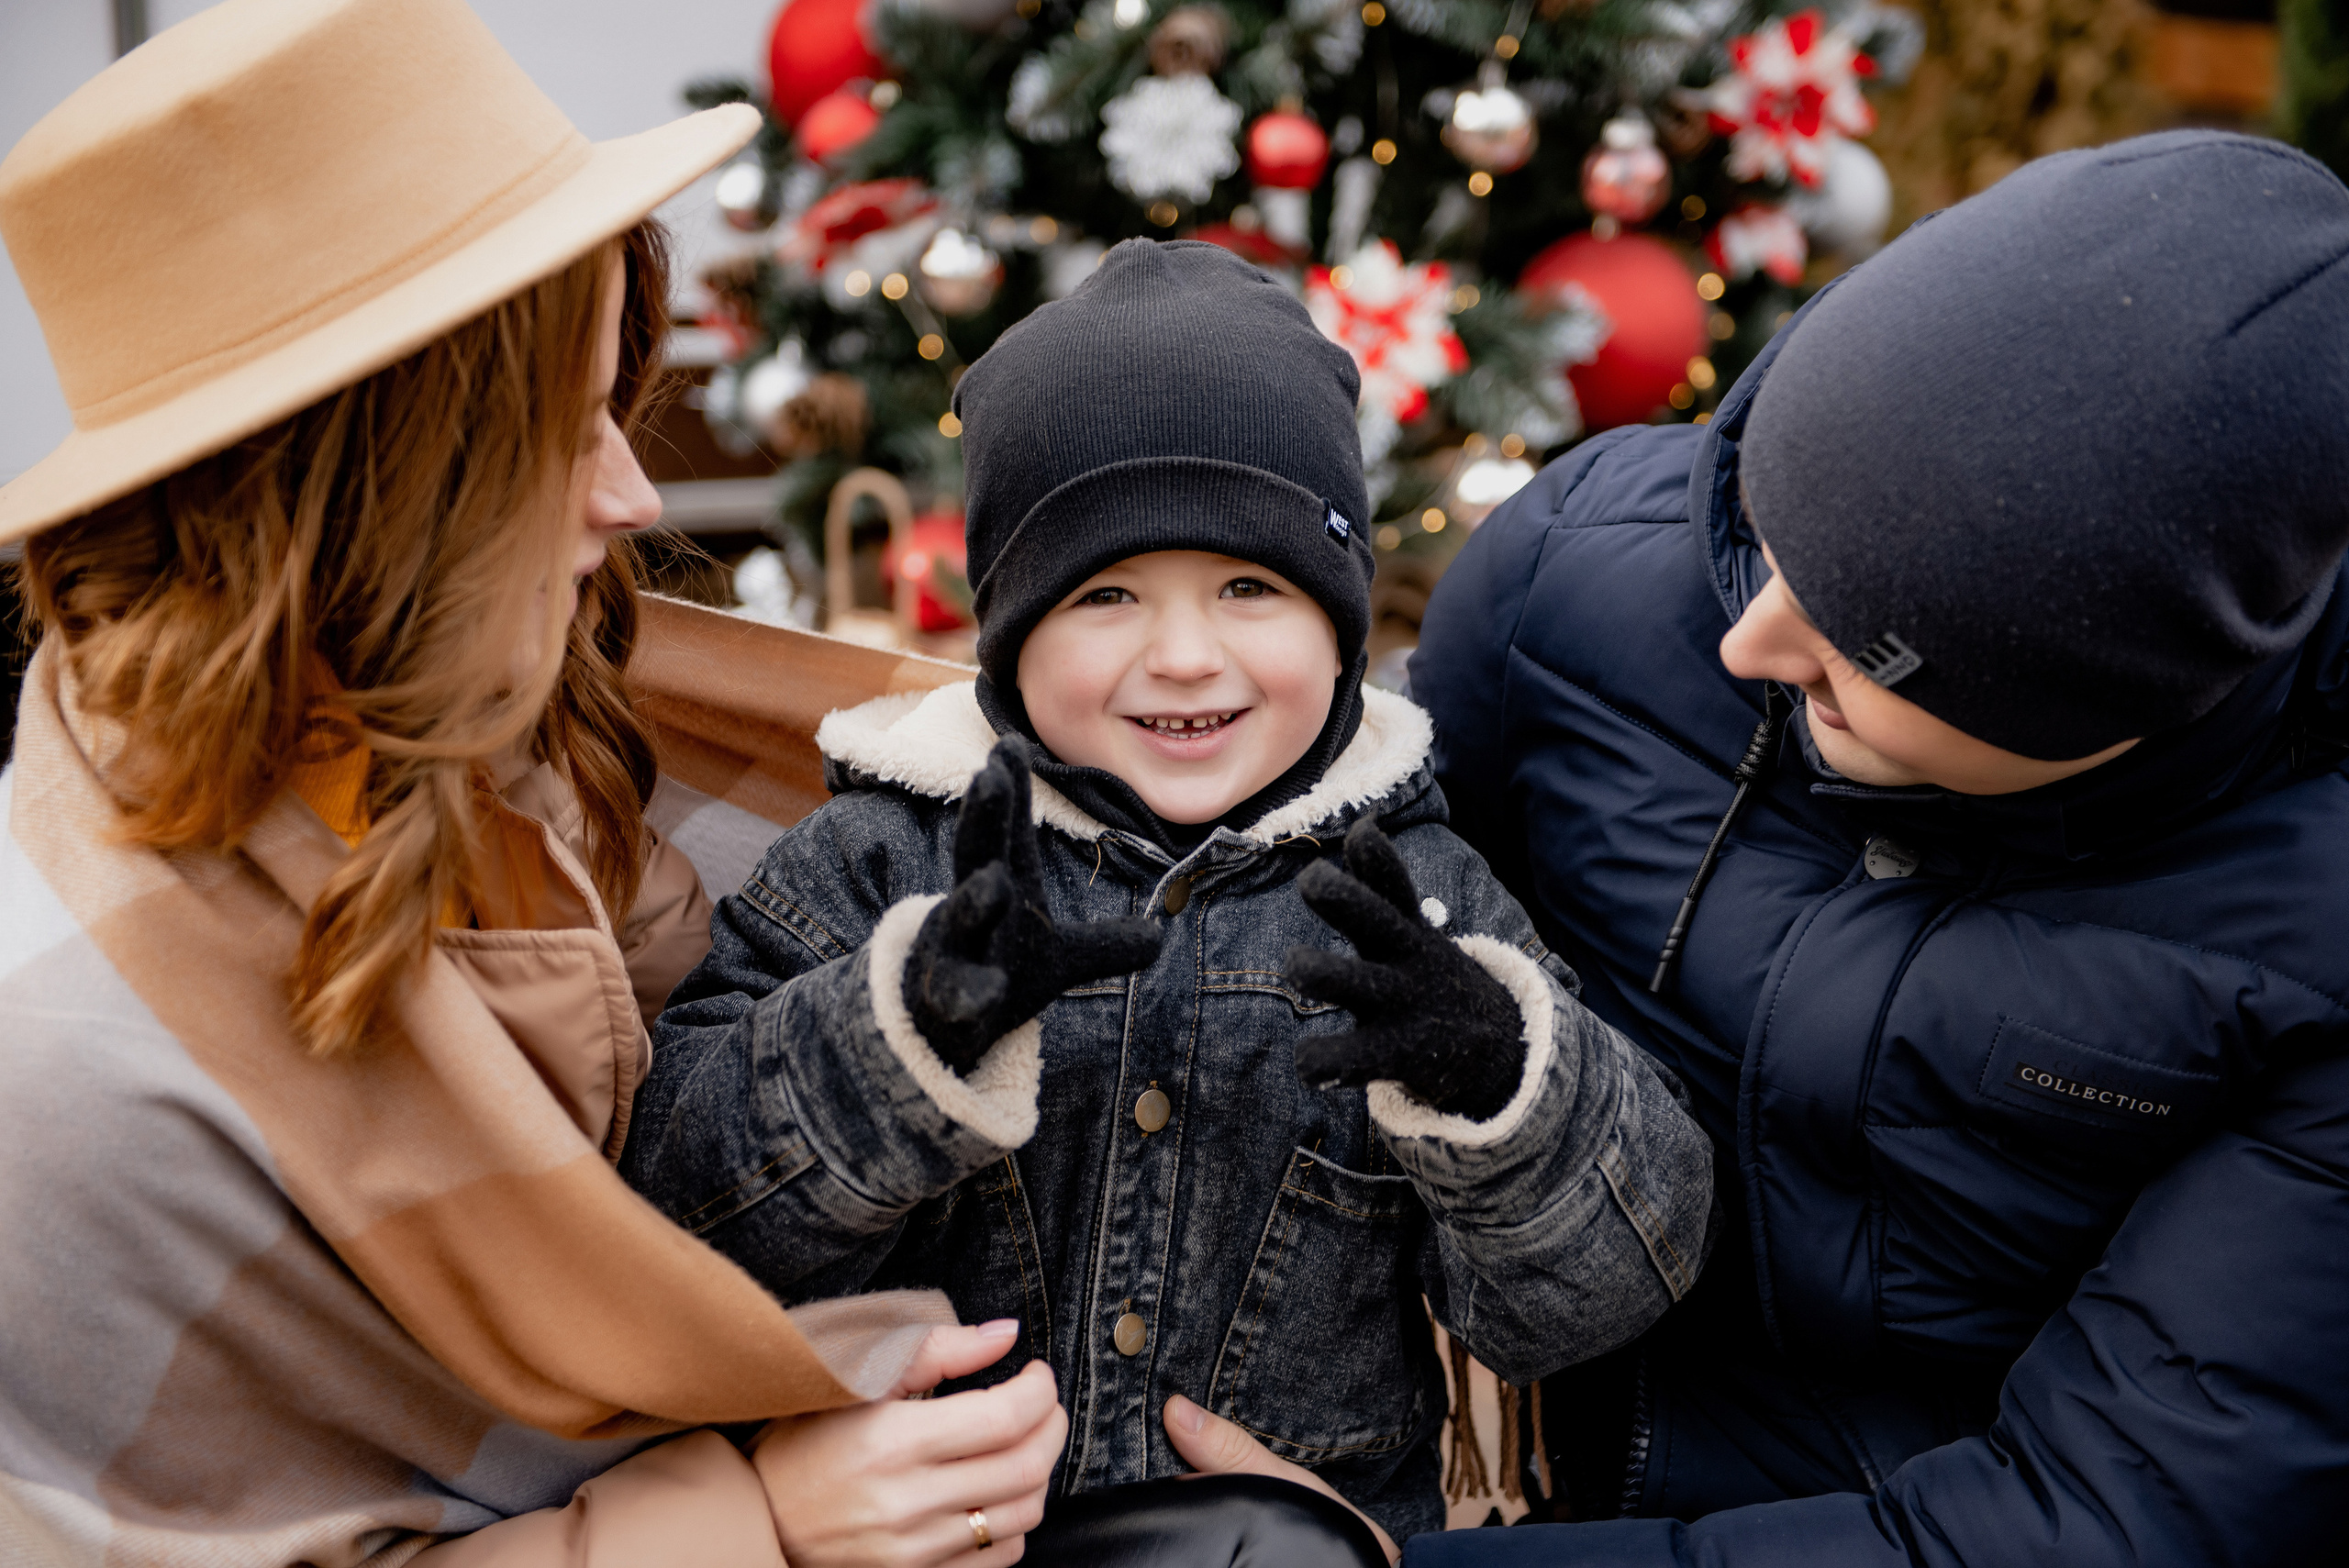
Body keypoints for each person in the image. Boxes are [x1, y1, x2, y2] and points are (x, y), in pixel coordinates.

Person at [0, 2, 1065, 1563]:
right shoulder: (68, 1081)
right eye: (563, 437)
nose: (632, 494)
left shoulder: (500, 727)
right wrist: (759, 1516)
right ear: (365, 495)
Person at [619, 239, 1718, 1551]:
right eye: (1108, 594)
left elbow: (1603, 1298)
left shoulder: (1415, 896)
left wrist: (1498, 1081)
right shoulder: (882, 859)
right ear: (1010, 633)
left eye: (1250, 587)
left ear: (1341, 618)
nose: (1186, 655)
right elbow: (682, 1232)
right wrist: (896, 1033)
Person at [1392, 130, 2349, 1564]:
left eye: (1865, 648)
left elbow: (2104, 1521)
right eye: (1770, 529)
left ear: (2106, 705)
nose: (1749, 640)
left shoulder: (2313, 938)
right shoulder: (1577, 564)